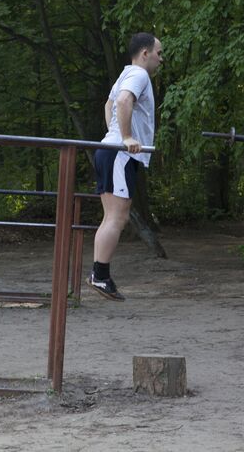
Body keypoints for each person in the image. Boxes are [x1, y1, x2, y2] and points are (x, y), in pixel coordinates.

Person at [88, 32, 163, 302]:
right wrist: (126, 137)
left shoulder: (125, 73)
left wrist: (115, 133)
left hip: (111, 151)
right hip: (119, 154)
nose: (160, 59)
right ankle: (100, 275)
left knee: (111, 218)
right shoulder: (139, 75)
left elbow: (108, 104)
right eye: (158, 53)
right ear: (145, 53)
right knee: (117, 219)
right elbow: (121, 102)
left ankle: (100, 274)